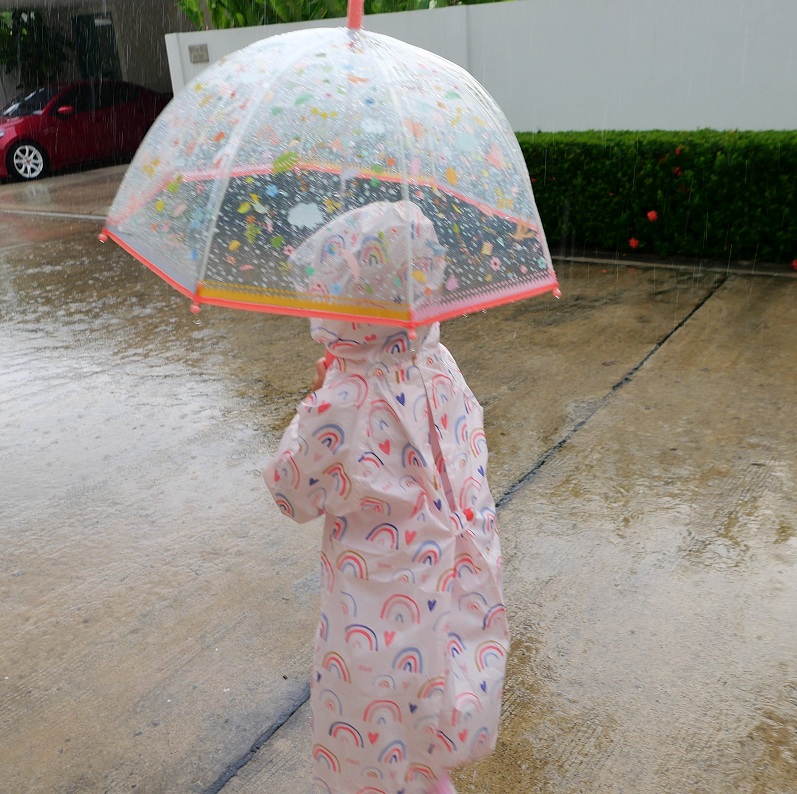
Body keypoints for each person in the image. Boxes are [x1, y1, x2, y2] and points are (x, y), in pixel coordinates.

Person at [264, 200, 509, 794]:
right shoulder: (439, 363)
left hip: (372, 619)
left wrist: (311, 405)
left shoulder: (341, 401)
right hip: (444, 593)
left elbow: (291, 492)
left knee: (373, 753)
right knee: (424, 738)